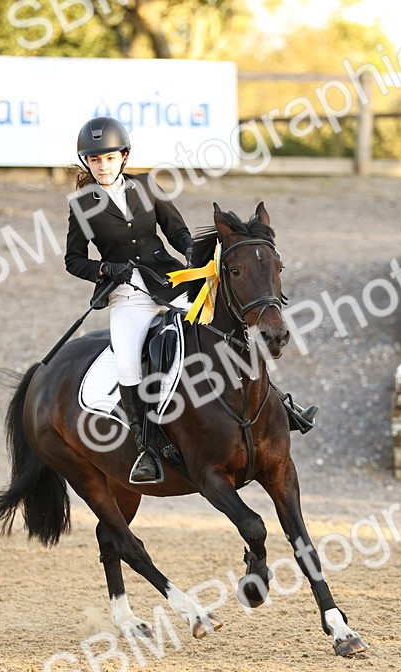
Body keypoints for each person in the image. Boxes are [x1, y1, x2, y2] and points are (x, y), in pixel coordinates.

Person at [64, 116, 317, 485]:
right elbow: (73, 260)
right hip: (127, 297)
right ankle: (147, 448)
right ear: (88, 162)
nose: (102, 166)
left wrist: (192, 255)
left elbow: (177, 231)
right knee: (128, 366)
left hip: (170, 282)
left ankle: (281, 405)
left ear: (124, 156)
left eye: (109, 158)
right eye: (95, 160)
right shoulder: (81, 205)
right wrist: (104, 269)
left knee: (228, 330)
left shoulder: (148, 187)